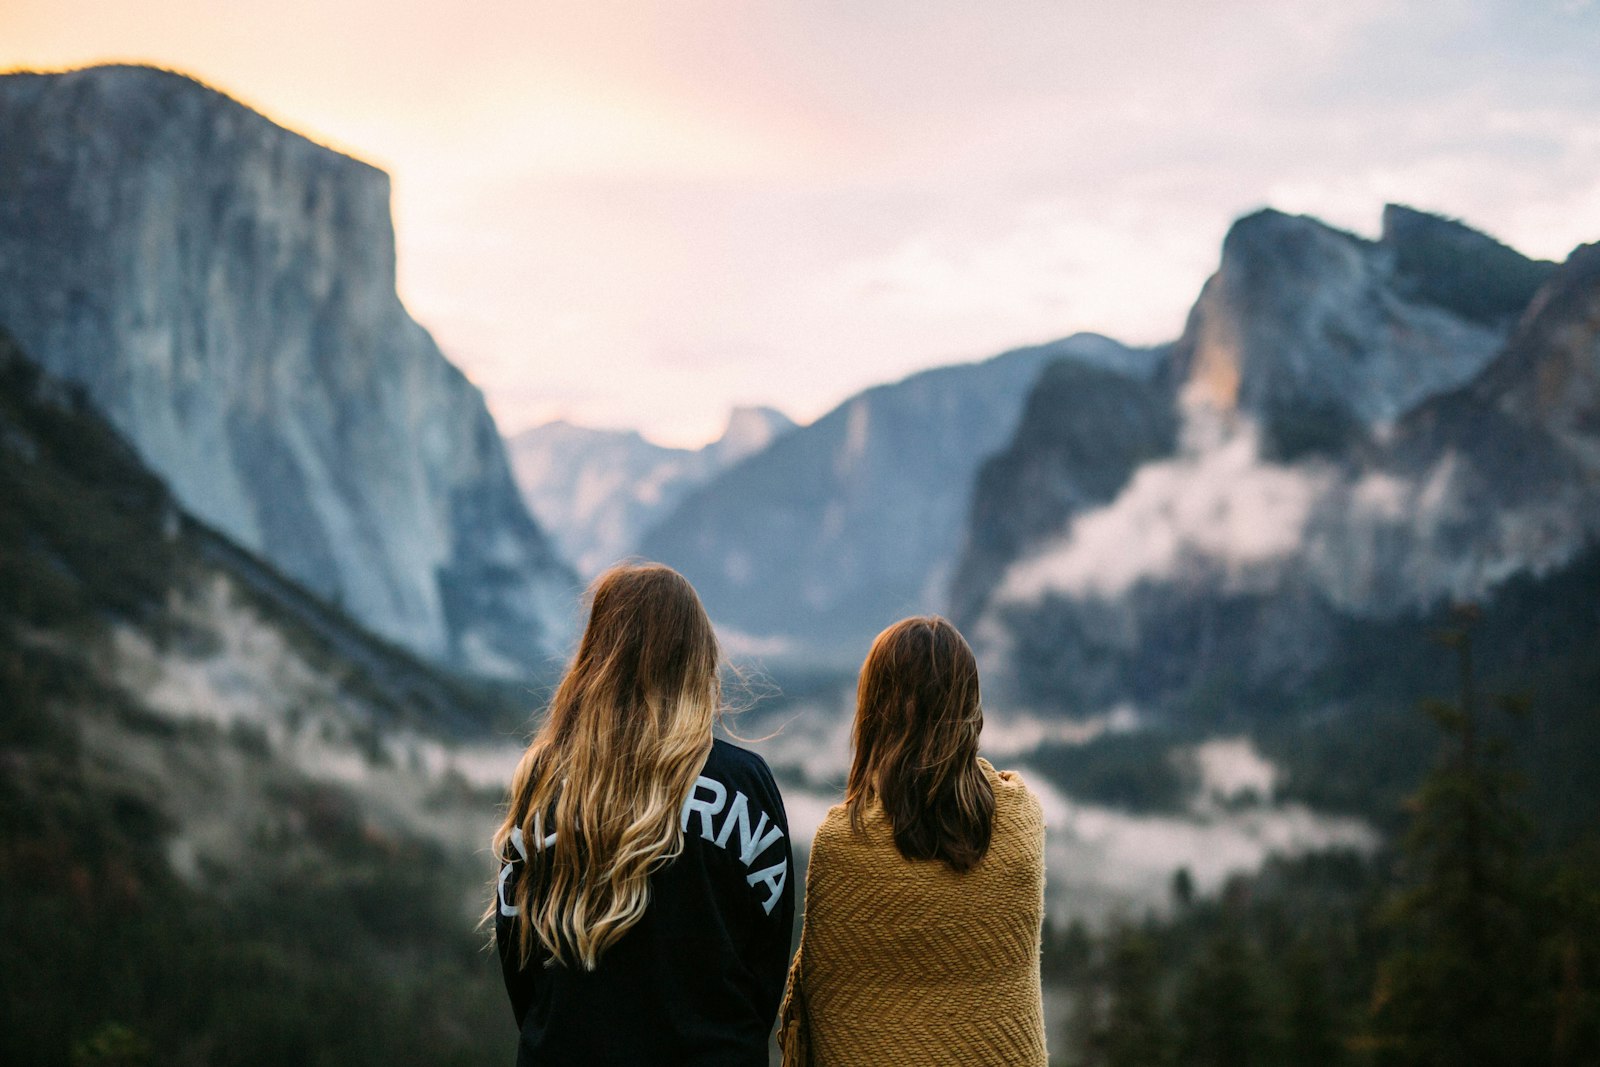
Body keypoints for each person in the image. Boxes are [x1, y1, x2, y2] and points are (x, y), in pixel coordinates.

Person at [491, 563, 795, 1066]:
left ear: (595, 658)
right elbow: (766, 963)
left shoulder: (543, 783)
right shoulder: (745, 783)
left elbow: (518, 959)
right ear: (700, 660)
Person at [779, 616, 1047, 1066]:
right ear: (970, 708)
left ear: (874, 711)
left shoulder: (843, 843)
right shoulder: (1020, 821)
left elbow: (828, 1008)